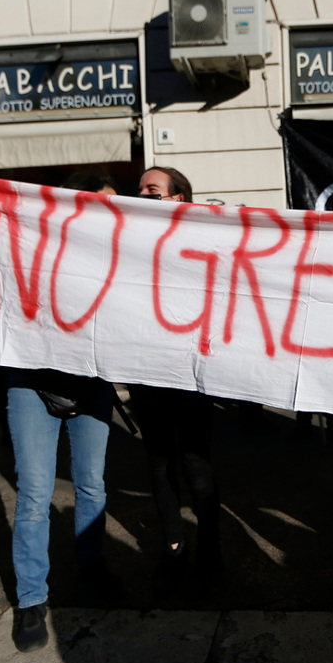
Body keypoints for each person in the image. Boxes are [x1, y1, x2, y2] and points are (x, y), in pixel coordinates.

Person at [5, 171, 125, 653]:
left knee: (92, 483)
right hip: (31, 383)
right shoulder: (34, 245)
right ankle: (31, 598)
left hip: (91, 385)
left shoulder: (118, 256)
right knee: (34, 494)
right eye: (99, 204)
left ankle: (90, 565)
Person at [129, 166, 224, 596]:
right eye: (140, 190)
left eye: (153, 189)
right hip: (145, 369)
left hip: (190, 372)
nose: (143, 195)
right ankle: (173, 547)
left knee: (195, 463)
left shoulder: (202, 241)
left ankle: (210, 551)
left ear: (179, 199)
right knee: (159, 463)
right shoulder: (129, 244)